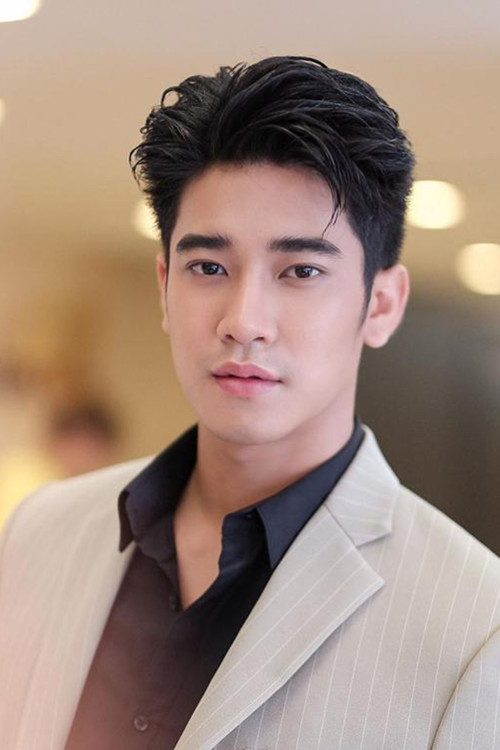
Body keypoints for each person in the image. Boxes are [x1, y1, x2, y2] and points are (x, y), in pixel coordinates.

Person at [0, 56, 499, 750]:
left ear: (381, 305)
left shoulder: (476, 629)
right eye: (209, 267)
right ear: (165, 286)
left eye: (301, 270)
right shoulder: (39, 533)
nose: (244, 321)